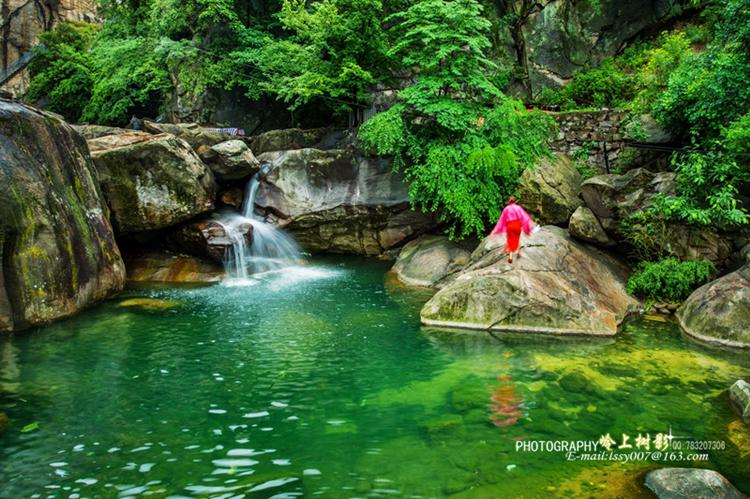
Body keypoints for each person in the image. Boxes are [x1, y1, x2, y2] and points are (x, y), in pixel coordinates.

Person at [490, 196, 534, 263]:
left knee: (510, 240)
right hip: (517, 225)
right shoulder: (518, 208)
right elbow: (524, 217)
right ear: (515, 201)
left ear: (509, 201)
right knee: (517, 238)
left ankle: (510, 257)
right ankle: (518, 252)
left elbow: (502, 220)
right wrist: (529, 226)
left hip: (510, 225)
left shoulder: (506, 209)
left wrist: (496, 230)